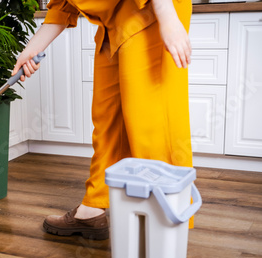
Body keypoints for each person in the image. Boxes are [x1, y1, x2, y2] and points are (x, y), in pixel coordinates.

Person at [12, 0, 194, 239]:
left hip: (150, 10)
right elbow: (64, 5)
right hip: (114, 20)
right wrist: (32, 49)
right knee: (107, 119)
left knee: (152, 123)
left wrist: (166, 15)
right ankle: (93, 207)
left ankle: (165, 227)